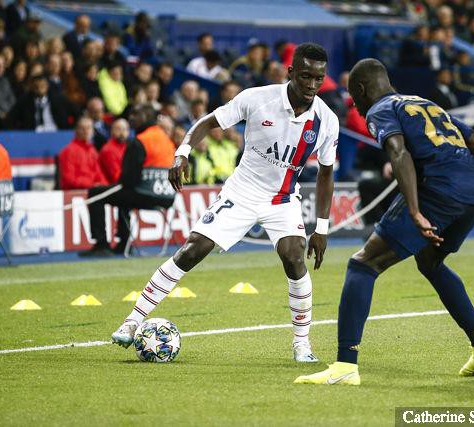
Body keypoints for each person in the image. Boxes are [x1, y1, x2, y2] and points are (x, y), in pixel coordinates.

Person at [295, 58, 474, 386]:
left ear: (363, 89)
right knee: (430, 261)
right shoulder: (426, 104)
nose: (358, 106)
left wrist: (413, 210)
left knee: (363, 265)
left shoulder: (381, 109)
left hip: (439, 189)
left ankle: (345, 366)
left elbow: (399, 153)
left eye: (356, 99)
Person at [110, 43, 339, 364]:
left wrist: (322, 227)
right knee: (192, 250)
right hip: (242, 192)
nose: (312, 86)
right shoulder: (257, 98)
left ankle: (302, 344)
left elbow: (326, 173)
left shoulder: (327, 120)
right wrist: (183, 152)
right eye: (305, 77)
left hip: (283, 199)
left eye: (319, 79)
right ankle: (133, 320)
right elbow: (207, 122)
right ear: (290, 73)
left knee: (294, 257)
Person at [79, 105, 175, 256]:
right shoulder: (167, 140)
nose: (131, 118)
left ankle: (101, 244)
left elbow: (128, 179)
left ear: (145, 117)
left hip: (145, 195)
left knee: (96, 193)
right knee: (124, 197)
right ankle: (124, 243)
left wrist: (121, 183)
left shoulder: (140, 141)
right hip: (168, 198)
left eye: (135, 114)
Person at [58, 117, 108, 190]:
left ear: (93, 131)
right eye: (82, 128)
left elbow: (99, 174)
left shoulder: (92, 151)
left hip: (92, 190)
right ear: (76, 131)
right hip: (75, 193)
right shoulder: (68, 151)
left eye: (89, 128)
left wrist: (104, 186)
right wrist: (92, 185)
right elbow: (69, 179)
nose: (86, 131)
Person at [98, 118, 129, 184]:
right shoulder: (108, 150)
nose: (122, 132)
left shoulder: (128, 146)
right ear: (112, 131)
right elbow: (116, 177)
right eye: (118, 129)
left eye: (125, 129)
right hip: (111, 187)